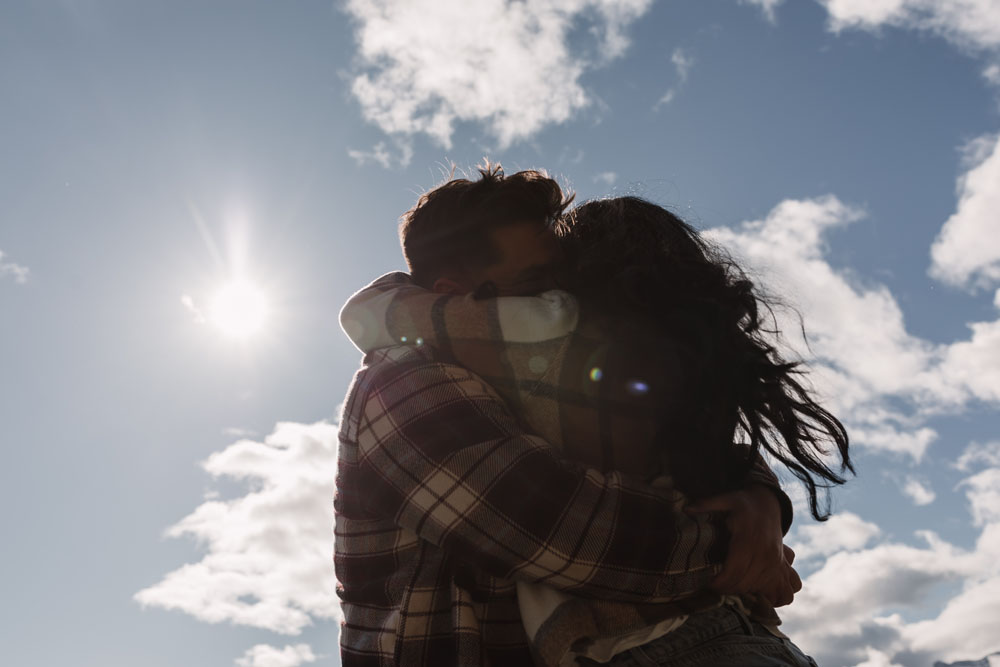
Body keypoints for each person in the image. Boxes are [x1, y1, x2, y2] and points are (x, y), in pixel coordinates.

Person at [335, 165, 846, 666]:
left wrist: (759, 499)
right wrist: (737, 547)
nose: (562, 303)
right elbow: (560, 530)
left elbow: (686, 441)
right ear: (452, 300)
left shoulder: (532, 381)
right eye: (537, 285)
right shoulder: (402, 384)